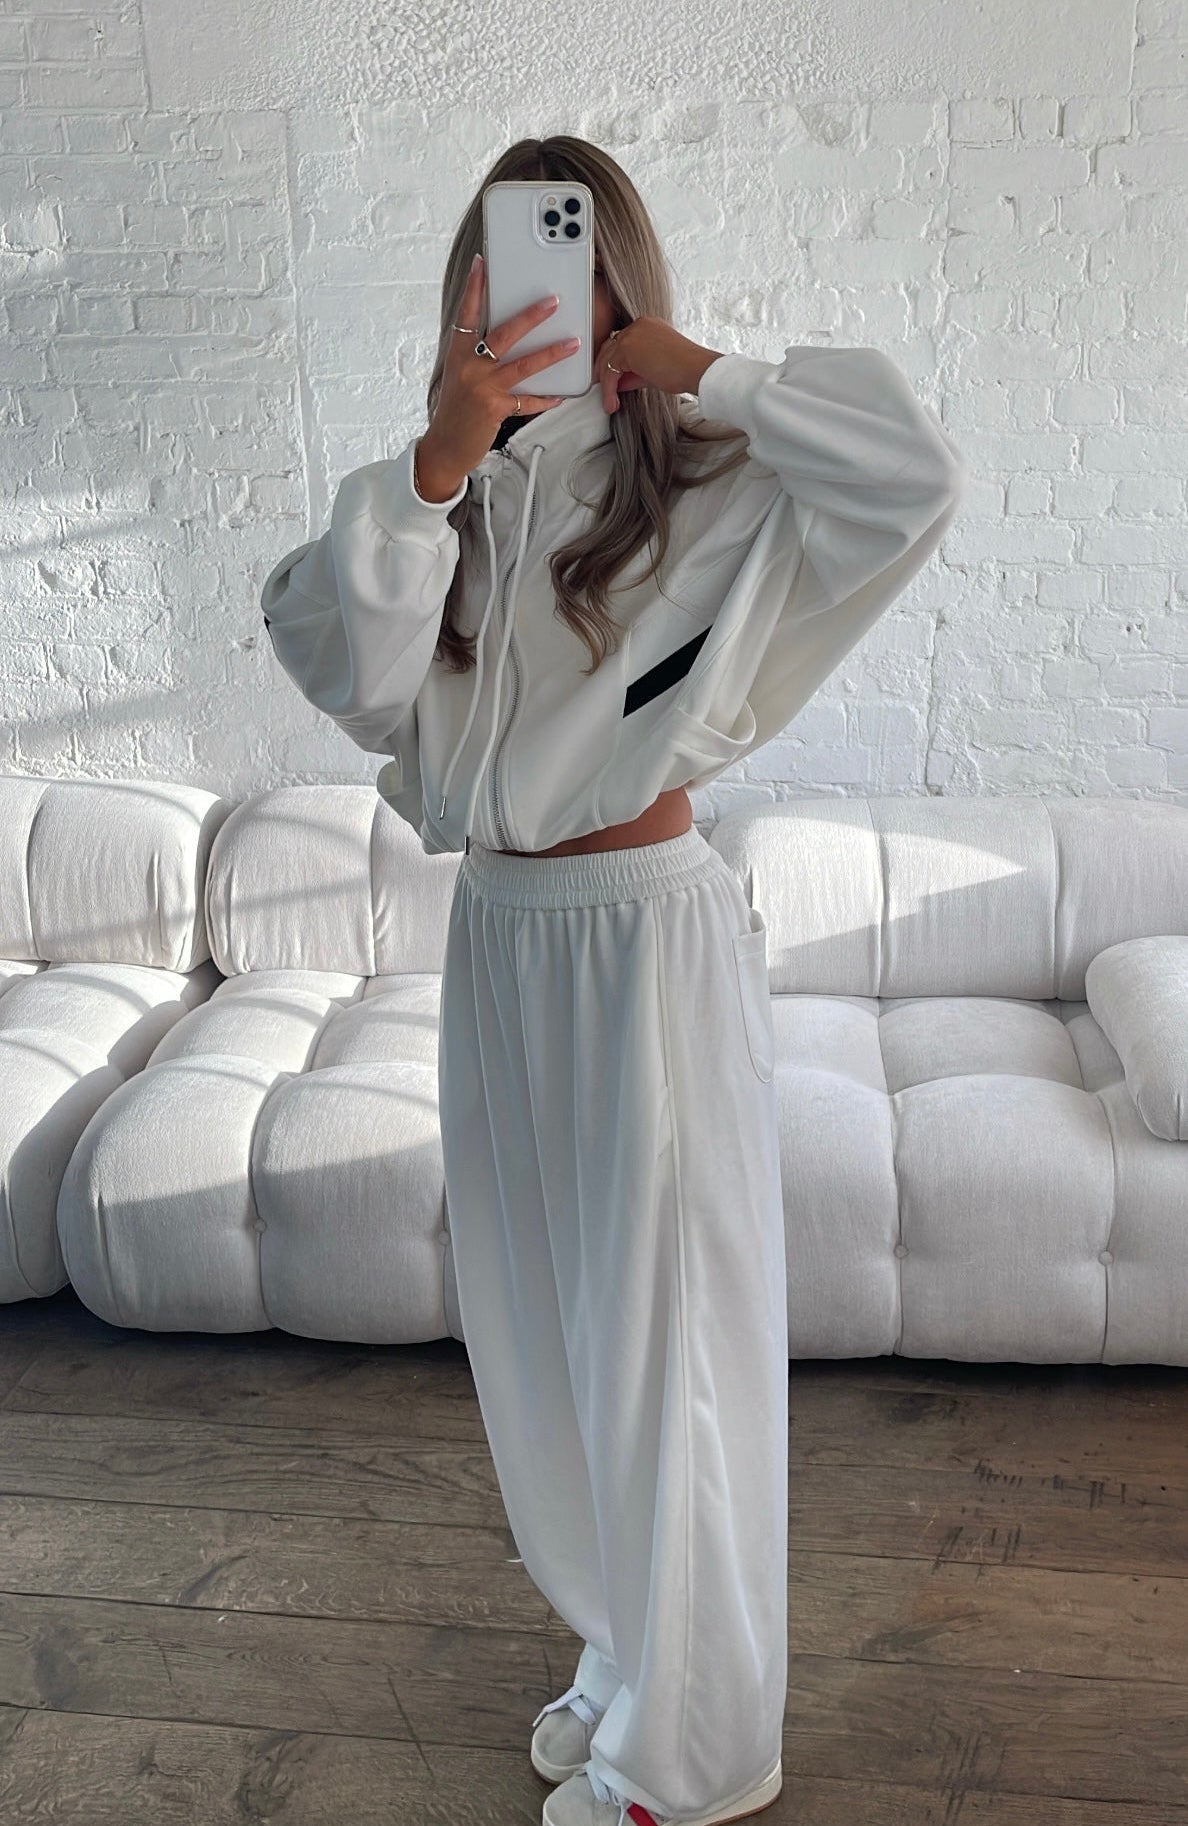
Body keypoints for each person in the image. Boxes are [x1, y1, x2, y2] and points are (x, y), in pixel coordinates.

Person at [261, 136, 966, 1826]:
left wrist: (700, 367)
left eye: (571, 263)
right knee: (541, 1337)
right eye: (504, 266)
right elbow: (347, 676)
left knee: (669, 1345)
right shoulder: (441, 496)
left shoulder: (710, 474)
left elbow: (913, 476)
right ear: (464, 296)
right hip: (499, 933)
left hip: (642, 931)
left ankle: (697, 1753)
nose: (536, 299)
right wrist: (437, 467)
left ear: (617, 279)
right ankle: (631, 1653)